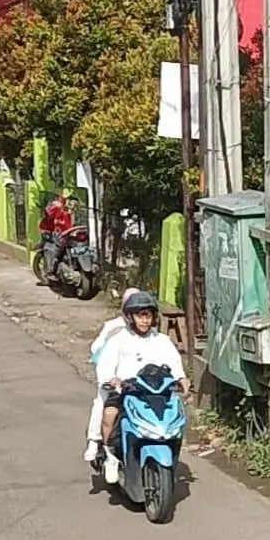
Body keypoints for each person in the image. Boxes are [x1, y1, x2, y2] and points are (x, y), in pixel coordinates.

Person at [95, 290, 188, 485]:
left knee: (178, 418)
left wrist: (182, 379)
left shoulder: (162, 340)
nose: (145, 320)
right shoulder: (119, 339)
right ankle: (110, 454)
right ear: (130, 317)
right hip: (127, 392)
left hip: (158, 393)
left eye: (148, 315)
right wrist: (112, 380)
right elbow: (105, 365)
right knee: (110, 414)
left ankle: (171, 450)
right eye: (140, 315)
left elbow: (175, 363)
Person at [84, 288, 139, 465]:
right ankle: (95, 440)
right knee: (102, 402)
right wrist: (109, 337)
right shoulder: (113, 326)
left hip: (140, 381)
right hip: (115, 379)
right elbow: (95, 349)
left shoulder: (147, 328)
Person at [38, 188, 76, 280]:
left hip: (65, 234)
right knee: (50, 249)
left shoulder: (68, 212)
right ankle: (49, 271)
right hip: (52, 232)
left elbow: (71, 223)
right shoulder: (56, 207)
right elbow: (49, 215)